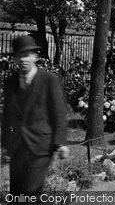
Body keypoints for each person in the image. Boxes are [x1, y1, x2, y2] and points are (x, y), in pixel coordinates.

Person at [1, 35, 70, 195]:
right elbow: (7, 116)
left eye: (27, 55)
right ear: (15, 59)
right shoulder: (10, 82)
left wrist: (60, 143)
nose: (23, 59)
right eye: (19, 56)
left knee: (31, 192)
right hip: (17, 149)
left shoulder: (49, 80)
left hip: (40, 148)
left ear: (35, 56)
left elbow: (59, 113)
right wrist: (5, 146)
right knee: (17, 194)